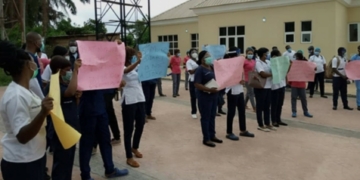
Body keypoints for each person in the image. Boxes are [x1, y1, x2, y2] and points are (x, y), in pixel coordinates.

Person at [0, 40, 54, 179]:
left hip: (35, 158)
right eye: (33, 61)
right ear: (27, 65)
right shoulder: (16, 96)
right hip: (22, 164)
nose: (36, 64)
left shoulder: (26, 90)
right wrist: (42, 113)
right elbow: (22, 136)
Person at [78, 46, 129, 179]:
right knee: (87, 144)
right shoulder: (81, 72)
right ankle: (85, 174)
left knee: (105, 141)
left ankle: (110, 169)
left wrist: (116, 48)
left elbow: (108, 87)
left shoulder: (101, 73)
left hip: (101, 111)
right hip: (88, 113)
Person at [44, 56, 81, 180]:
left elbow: (71, 101)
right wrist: (76, 71)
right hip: (60, 132)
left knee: (68, 162)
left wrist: (77, 98)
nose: (69, 72)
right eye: (67, 70)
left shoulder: (64, 84)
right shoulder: (53, 86)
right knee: (61, 163)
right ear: (59, 70)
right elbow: (69, 93)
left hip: (69, 130)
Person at [121, 46, 146, 168]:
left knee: (141, 123)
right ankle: (129, 157)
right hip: (129, 99)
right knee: (128, 129)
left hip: (140, 97)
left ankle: (134, 147)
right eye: (130, 56)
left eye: (133, 56)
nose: (131, 58)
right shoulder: (120, 65)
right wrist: (138, 61)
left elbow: (144, 71)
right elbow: (125, 71)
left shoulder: (135, 64)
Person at [194, 50, 222, 147]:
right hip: (204, 97)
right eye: (207, 56)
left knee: (212, 116)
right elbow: (197, 84)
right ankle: (206, 138)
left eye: (210, 56)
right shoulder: (200, 69)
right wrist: (208, 89)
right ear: (202, 60)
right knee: (205, 117)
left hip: (214, 96)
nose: (209, 58)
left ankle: (212, 135)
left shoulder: (212, 67)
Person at [225, 51, 255, 141]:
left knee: (242, 111)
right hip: (231, 90)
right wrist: (237, 80)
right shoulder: (228, 66)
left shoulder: (239, 65)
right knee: (231, 112)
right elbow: (226, 78)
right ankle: (229, 132)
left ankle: (243, 130)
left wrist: (241, 81)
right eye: (236, 56)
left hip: (239, 90)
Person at [254, 48, 276, 132]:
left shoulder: (268, 62)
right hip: (261, 87)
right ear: (263, 54)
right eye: (266, 53)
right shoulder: (258, 63)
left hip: (268, 86)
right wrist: (273, 74)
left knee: (267, 106)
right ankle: (260, 124)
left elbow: (274, 69)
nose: (268, 54)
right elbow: (262, 74)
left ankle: (267, 123)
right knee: (260, 106)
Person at [289, 51, 313, 118]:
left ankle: (305, 111)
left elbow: (312, 68)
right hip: (294, 83)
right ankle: (294, 111)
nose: (296, 58)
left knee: (303, 98)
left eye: (297, 57)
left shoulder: (304, 64)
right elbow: (290, 71)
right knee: (294, 98)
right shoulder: (293, 64)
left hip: (301, 83)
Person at [270, 49, 288, 127]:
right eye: (279, 55)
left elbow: (285, 71)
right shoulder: (271, 63)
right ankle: (273, 120)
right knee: (274, 104)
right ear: (274, 56)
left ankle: (278, 119)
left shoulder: (281, 63)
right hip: (275, 86)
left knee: (280, 104)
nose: (281, 56)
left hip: (282, 85)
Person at [186, 49, 199, 119]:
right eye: (193, 52)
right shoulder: (189, 62)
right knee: (193, 97)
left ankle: (201, 110)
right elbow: (191, 72)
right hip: (192, 81)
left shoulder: (199, 60)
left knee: (200, 97)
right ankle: (194, 112)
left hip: (200, 81)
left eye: (196, 52)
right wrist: (199, 68)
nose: (194, 53)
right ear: (190, 54)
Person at [243, 47, 256, 112]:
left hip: (253, 78)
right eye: (249, 53)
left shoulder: (253, 61)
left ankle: (244, 104)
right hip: (247, 79)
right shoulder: (244, 61)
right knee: (251, 93)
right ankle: (254, 107)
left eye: (251, 53)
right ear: (246, 54)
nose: (250, 55)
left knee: (248, 93)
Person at [350, 45, 360, 110]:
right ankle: (359, 104)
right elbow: (350, 66)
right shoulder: (354, 57)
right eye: (359, 49)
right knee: (359, 90)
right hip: (357, 76)